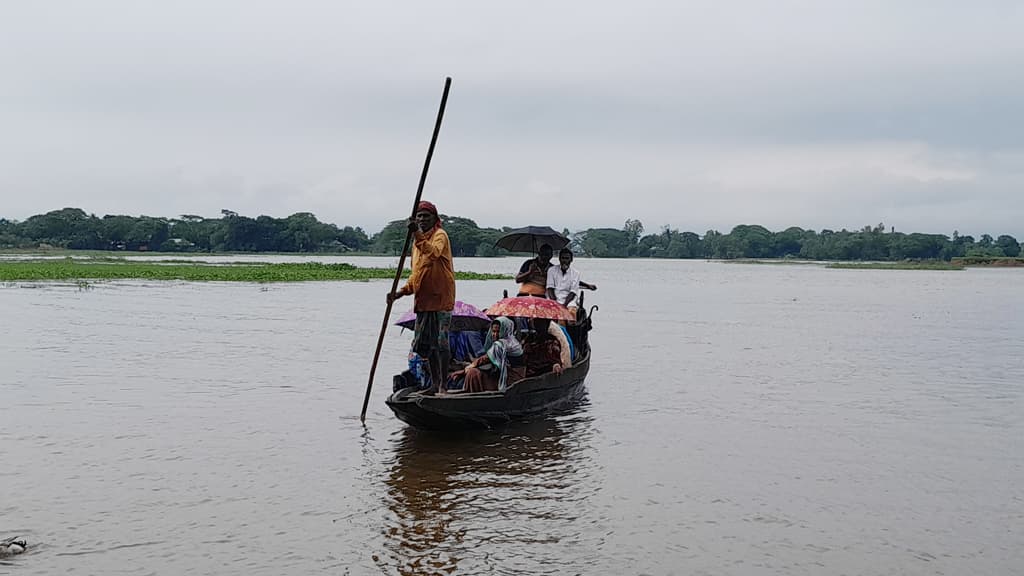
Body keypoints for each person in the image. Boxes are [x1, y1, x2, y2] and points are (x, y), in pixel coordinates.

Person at [387, 201, 455, 394]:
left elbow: (433, 253)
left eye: (426, 216)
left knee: (441, 342)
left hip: (441, 298)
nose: (422, 219)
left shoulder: (440, 236)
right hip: (424, 300)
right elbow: (417, 274)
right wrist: (400, 293)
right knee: (425, 345)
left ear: (434, 218)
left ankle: (443, 386)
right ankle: (434, 384)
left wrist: (416, 232)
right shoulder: (416, 246)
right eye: (419, 216)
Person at [449, 317, 524, 393]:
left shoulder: (501, 344)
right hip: (509, 376)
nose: (495, 334)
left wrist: (468, 367)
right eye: (493, 331)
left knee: (473, 373)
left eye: (498, 331)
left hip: (509, 379)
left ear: (505, 330)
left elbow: (486, 359)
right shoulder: (513, 342)